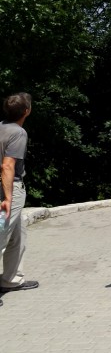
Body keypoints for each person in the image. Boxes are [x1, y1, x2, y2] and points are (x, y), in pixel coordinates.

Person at [0, 93, 37, 305]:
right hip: (10, 189)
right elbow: (8, 165)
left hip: (7, 187)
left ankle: (11, 280)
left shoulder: (1, 126)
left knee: (17, 236)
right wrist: (7, 197)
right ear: (26, 111)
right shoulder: (18, 133)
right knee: (2, 236)